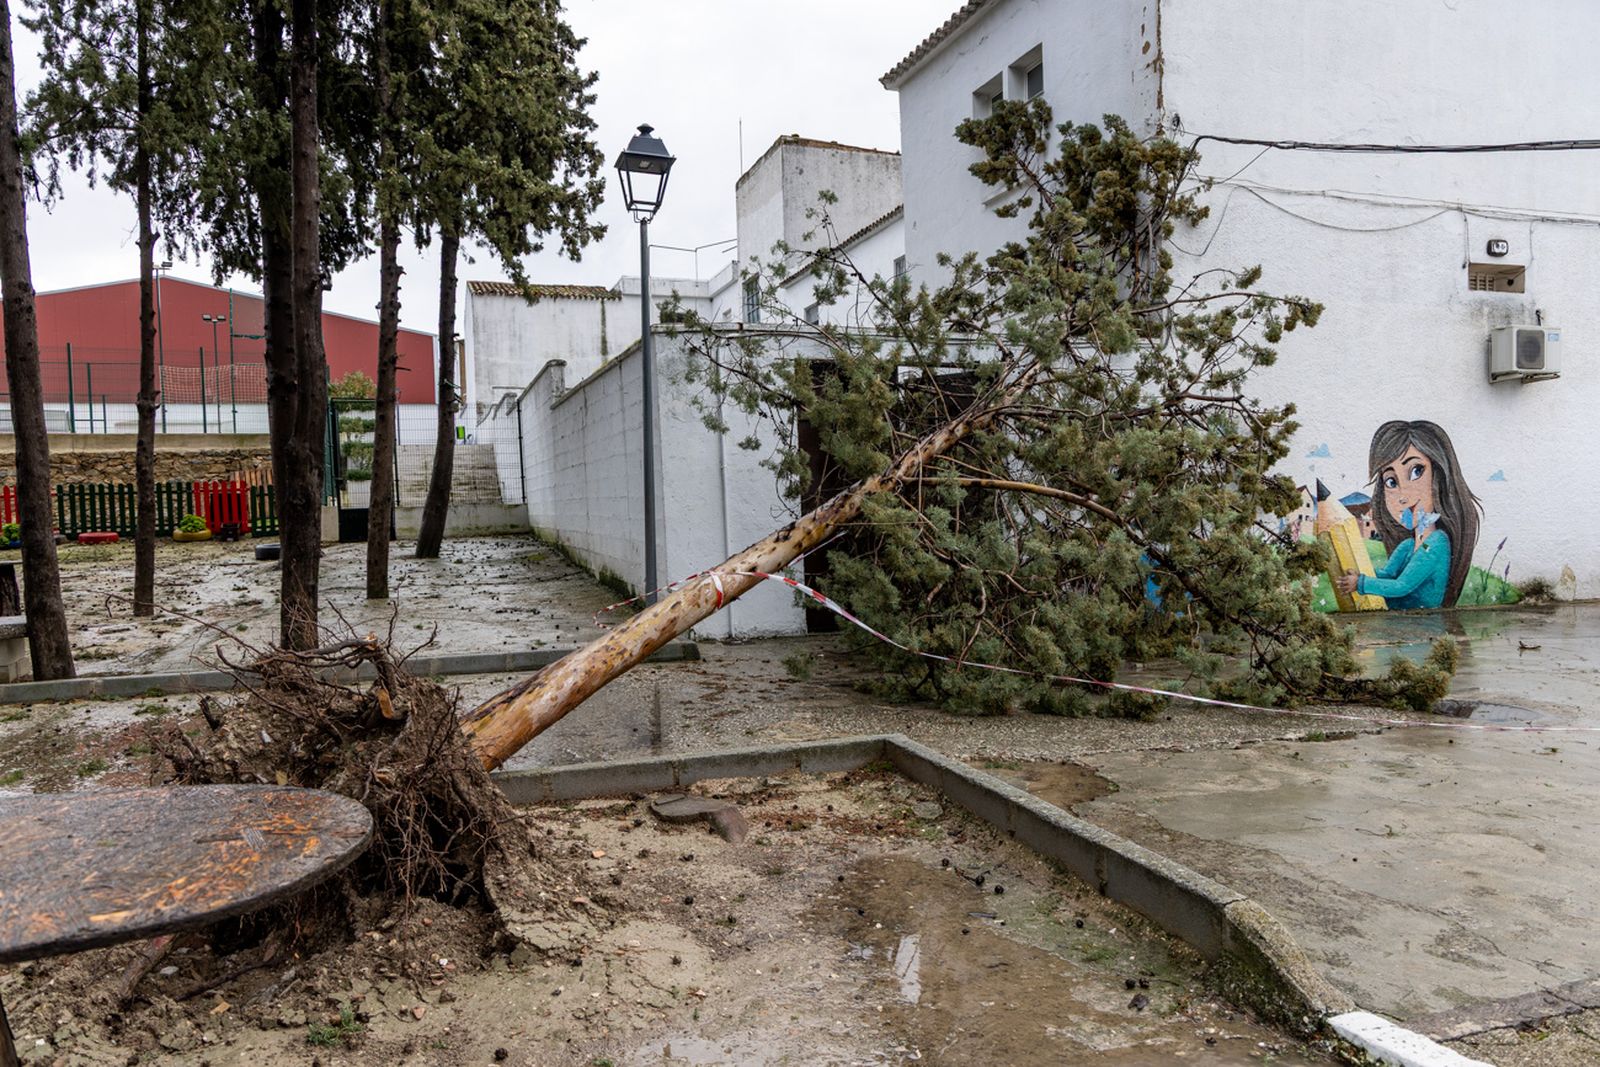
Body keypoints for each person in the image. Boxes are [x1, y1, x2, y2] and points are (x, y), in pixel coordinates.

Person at [1334, 420, 1480, 609]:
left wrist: (1361, 584)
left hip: (1421, 629)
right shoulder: (1409, 545)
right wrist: (1361, 574)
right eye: (1391, 482)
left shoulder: (1436, 543)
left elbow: (1402, 586)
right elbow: (1388, 575)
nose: (1403, 496)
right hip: (1399, 626)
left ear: (1440, 477)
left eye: (1416, 471)